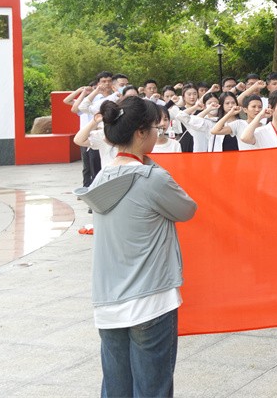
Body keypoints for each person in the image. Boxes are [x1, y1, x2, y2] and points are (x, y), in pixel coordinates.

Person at [73, 96, 197, 397]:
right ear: (140, 133)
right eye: (155, 128)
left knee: (116, 388)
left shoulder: (101, 178)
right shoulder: (152, 178)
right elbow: (187, 209)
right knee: (152, 388)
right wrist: (148, 163)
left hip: (108, 302)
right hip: (151, 298)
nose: (159, 133)